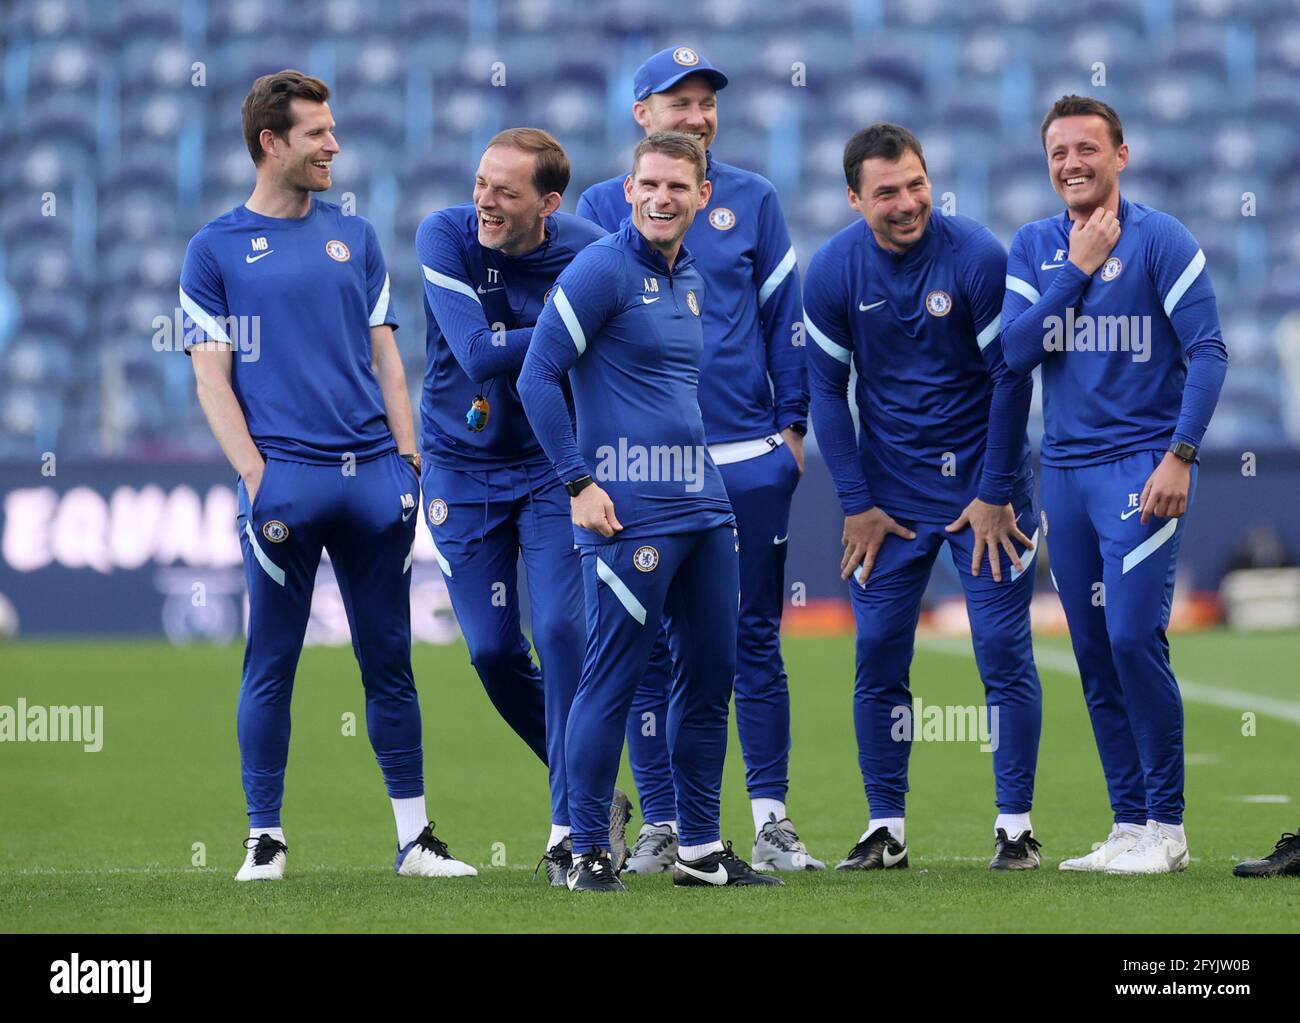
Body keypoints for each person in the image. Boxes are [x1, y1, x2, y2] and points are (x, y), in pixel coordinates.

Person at [181, 70, 474, 880]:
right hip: (288, 482)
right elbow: (211, 377)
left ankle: (415, 840)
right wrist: (254, 474)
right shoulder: (215, 248)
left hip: (376, 476)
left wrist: (409, 458)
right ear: (271, 143)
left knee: (390, 660)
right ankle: (263, 840)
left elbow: (387, 355)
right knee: (271, 661)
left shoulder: (358, 236)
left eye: (333, 130)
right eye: (318, 133)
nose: (334, 145)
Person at [519, 132, 781, 892]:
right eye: (650, 185)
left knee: (709, 682)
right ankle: (588, 851)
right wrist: (577, 483)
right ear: (629, 191)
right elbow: (538, 378)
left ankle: (700, 849)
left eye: (679, 186)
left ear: (703, 195)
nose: (663, 198)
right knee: (610, 679)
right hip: (627, 515)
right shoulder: (601, 266)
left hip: (704, 508)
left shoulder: (694, 276)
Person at [577, 45, 815, 873]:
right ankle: (666, 826)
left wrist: (792, 434)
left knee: (750, 640)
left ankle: (772, 818)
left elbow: (788, 319)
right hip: (645, 470)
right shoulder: (604, 206)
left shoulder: (754, 199)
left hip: (748, 457)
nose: (698, 113)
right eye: (679, 101)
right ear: (641, 115)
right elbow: (569, 340)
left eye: (707, 100)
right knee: (645, 652)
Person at [805, 123, 1044, 872]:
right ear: (854, 199)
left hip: (987, 488)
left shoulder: (977, 255)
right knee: (877, 653)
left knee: (1002, 647)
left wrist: (996, 491)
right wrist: (855, 501)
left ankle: (1014, 827)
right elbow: (823, 389)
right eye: (887, 192)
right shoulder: (832, 271)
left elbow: (1011, 377)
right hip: (889, 497)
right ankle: (885, 828)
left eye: (917, 184)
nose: (909, 202)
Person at [1002, 95, 1228, 874]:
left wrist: (1181, 453)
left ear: (1120, 156)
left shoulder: (1161, 238)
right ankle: (1129, 824)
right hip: (1062, 475)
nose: (1073, 162)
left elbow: (1209, 351)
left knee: (1134, 636)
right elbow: (1017, 350)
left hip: (1141, 468)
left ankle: (1168, 827)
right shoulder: (1035, 246)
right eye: (1059, 151)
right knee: (1094, 650)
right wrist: (1077, 270)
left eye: (1088, 149)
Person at [415, 128, 630, 883]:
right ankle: (591, 782)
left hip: (549, 467)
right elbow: (477, 354)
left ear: (549, 203)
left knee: (567, 630)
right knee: (492, 650)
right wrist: (578, 324)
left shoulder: (589, 248)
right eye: (480, 182)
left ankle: (572, 822)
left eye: (505, 192)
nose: (485, 202)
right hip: (460, 471)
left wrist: (581, 323)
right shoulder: (444, 234)